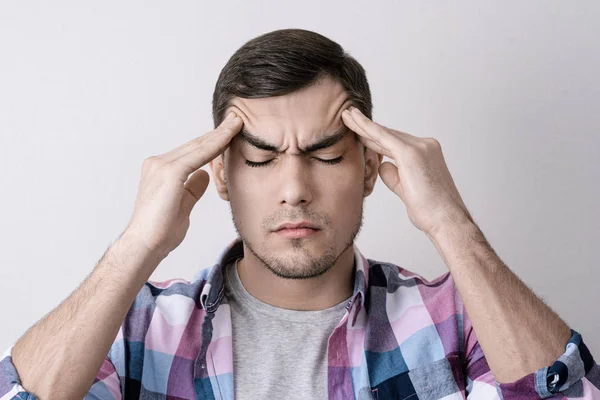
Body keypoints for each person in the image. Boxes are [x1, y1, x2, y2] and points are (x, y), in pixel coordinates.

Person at [0, 28, 598, 400]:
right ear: (223, 178)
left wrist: (452, 226)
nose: (294, 189)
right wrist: (135, 246)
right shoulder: (137, 328)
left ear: (368, 169)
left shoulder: (458, 321)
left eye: (327, 154)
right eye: (260, 160)